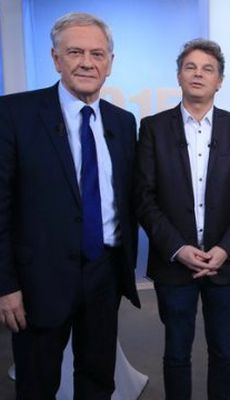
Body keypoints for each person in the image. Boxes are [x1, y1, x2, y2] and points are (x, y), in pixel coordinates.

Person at [0, 12, 140, 398]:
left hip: (104, 274)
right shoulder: (14, 114)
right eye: (75, 52)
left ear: (110, 63)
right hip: (37, 281)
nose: (86, 62)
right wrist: (5, 285)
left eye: (97, 54)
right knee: (37, 383)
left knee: (98, 379)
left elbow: (129, 199)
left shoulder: (124, 122)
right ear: (55, 58)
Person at [135, 39, 230, 400]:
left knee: (224, 351)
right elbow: (143, 198)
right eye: (191, 67)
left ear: (219, 81)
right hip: (174, 265)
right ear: (179, 76)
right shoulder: (153, 128)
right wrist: (177, 248)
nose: (199, 74)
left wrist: (225, 249)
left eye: (208, 69)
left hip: (225, 264)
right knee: (176, 353)